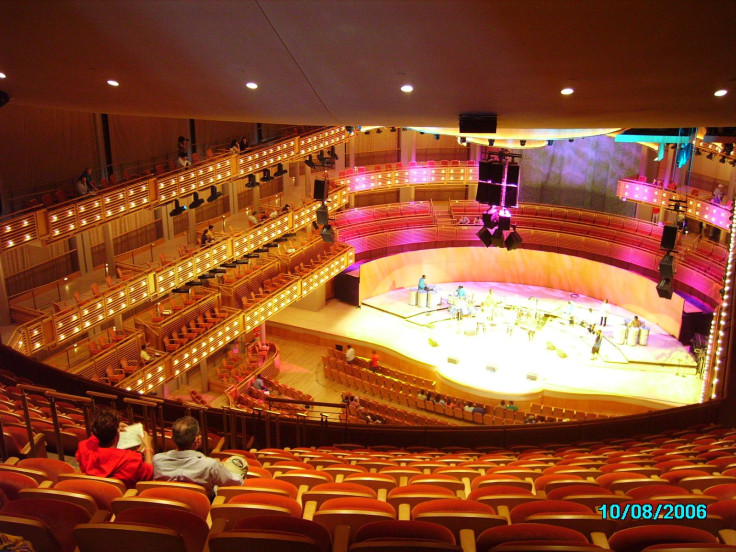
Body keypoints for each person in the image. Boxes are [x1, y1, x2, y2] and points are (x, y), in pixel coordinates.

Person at [153, 416, 244, 499]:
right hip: (201, 513)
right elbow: (235, 483)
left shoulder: (157, 460)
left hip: (168, 511)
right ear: (197, 440)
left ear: (172, 437)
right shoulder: (210, 465)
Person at [76, 408, 153, 488]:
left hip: (96, 492)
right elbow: (149, 474)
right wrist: (148, 447)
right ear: (117, 434)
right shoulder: (131, 460)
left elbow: (91, 439)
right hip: (124, 496)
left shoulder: (84, 448)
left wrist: (109, 427)